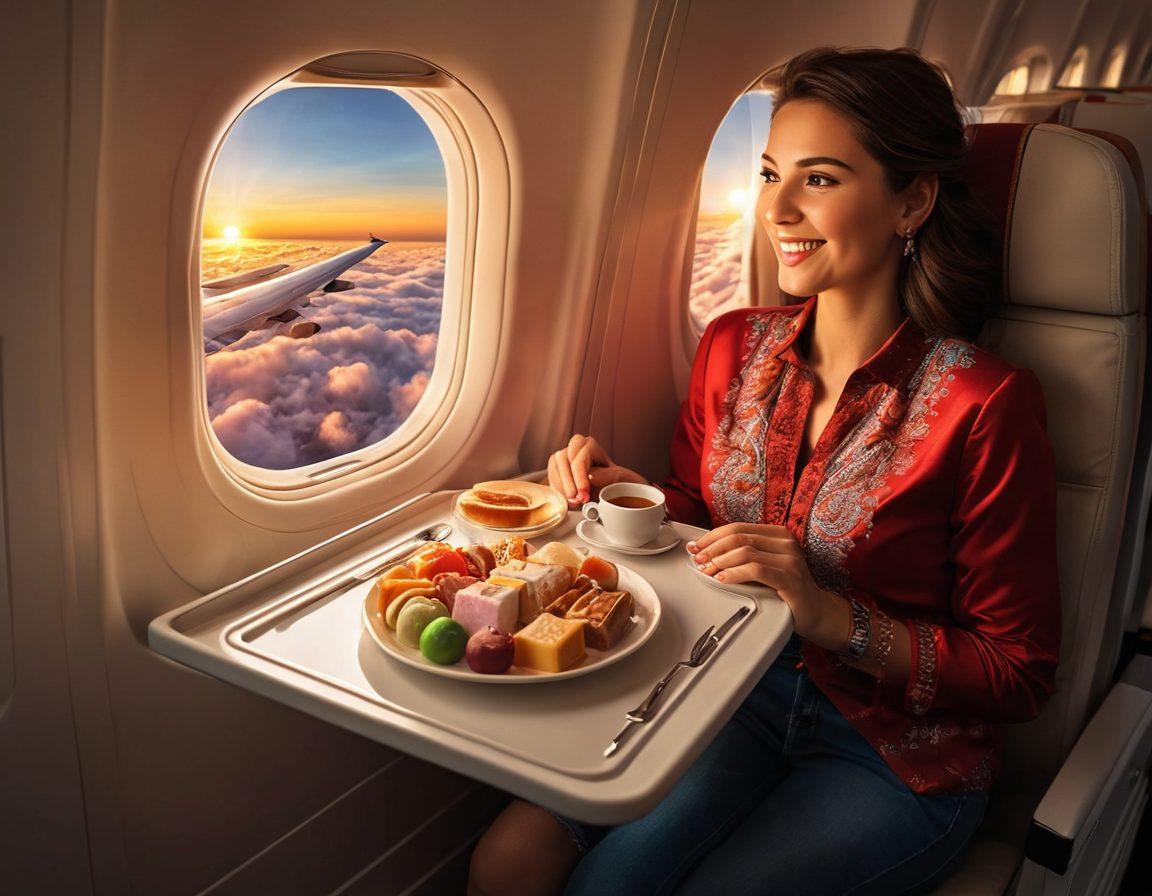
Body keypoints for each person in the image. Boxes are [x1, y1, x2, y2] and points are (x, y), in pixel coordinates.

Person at [467, 46, 1061, 896]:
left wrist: (828, 616)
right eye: (771, 172)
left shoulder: (984, 403)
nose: (775, 208)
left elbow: (1018, 669)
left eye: (818, 179)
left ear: (912, 201)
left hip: (893, 752)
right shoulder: (732, 345)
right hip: (725, 689)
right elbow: (696, 513)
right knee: (510, 864)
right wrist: (619, 493)